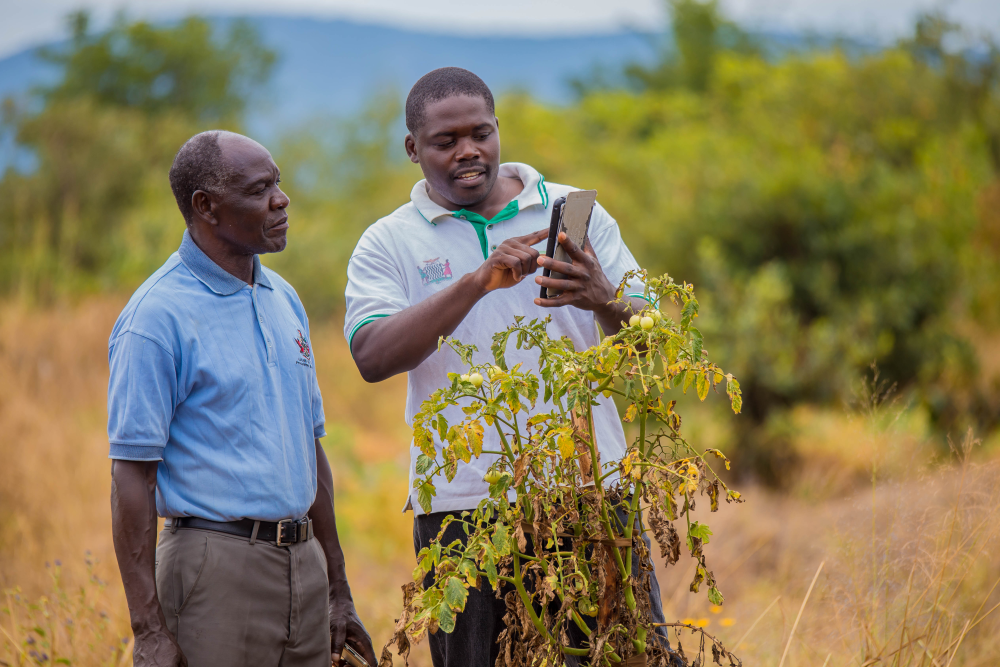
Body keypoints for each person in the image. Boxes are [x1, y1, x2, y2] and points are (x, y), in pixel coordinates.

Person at [345, 68, 676, 667]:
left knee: (624, 656)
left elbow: (649, 347)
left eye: (481, 134)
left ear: (499, 131)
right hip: (459, 506)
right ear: (413, 149)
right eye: (446, 141)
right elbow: (371, 356)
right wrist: (476, 283)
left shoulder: (573, 213)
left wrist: (602, 294)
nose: (468, 151)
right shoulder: (387, 241)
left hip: (588, 491)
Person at [108, 130, 377, 667]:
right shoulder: (156, 318)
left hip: (304, 566)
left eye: (277, 183)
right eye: (259, 190)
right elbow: (131, 478)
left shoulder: (283, 298)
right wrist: (149, 632)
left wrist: (337, 587)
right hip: (214, 569)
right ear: (206, 207)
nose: (281, 200)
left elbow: (310, 449)